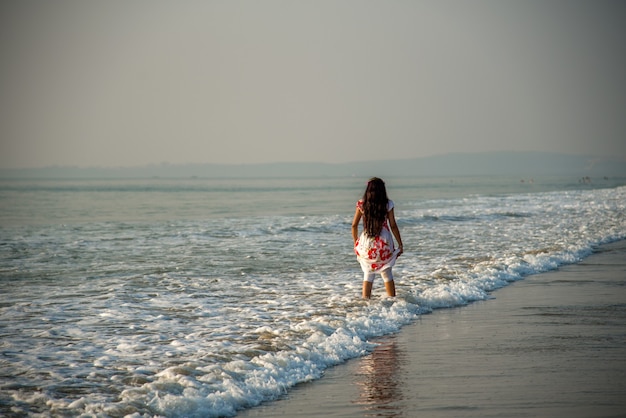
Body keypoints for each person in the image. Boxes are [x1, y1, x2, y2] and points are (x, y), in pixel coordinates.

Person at [352, 177, 404, 299]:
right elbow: (393, 225)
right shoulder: (388, 204)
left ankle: (366, 304)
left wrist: (356, 243)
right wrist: (400, 244)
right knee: (387, 272)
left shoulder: (361, 204)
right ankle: (393, 302)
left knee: (368, 274)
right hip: (384, 242)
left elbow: (354, 225)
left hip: (367, 242)